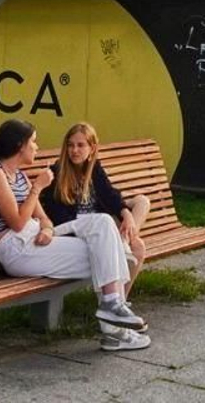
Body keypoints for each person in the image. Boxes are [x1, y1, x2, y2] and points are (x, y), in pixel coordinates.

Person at [0, 120, 149, 352]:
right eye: (33, 142)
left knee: (104, 224)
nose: (37, 147)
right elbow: (16, 223)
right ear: (19, 145)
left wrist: (46, 229)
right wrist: (37, 188)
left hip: (36, 239)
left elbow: (44, 219)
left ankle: (111, 307)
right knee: (114, 253)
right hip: (16, 250)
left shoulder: (20, 177)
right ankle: (113, 328)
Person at [41, 123, 152, 290]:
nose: (74, 150)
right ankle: (122, 251)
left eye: (80, 145)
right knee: (134, 245)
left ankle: (120, 300)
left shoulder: (94, 168)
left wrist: (126, 215)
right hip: (79, 228)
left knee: (142, 203)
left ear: (92, 148)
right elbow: (56, 214)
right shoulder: (57, 172)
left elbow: (109, 194)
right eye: (70, 145)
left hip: (102, 222)